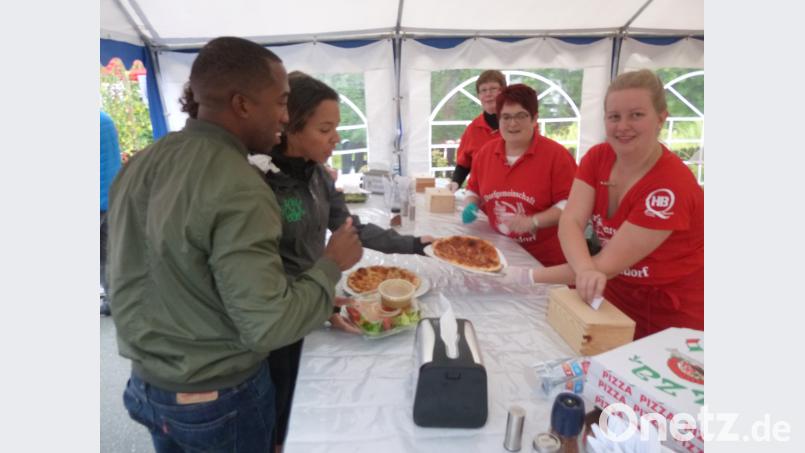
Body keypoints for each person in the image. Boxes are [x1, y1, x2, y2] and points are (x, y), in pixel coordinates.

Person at [107, 37, 363, 453]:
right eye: (281, 102)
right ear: (243, 104)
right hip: (218, 397)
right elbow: (269, 325)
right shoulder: (241, 185)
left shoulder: (141, 164)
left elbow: (138, 269)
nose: (285, 117)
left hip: (148, 386)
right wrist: (330, 265)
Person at [248, 72, 434, 450]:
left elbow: (352, 228)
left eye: (337, 127)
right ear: (291, 126)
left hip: (313, 301)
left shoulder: (317, 175)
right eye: (325, 128)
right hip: (276, 318)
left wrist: (416, 244)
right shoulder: (259, 182)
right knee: (278, 408)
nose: (336, 138)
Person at [508, 69, 704, 339]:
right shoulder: (598, 158)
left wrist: (524, 277)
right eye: (614, 117)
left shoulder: (670, 187)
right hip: (611, 298)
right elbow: (571, 221)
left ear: (661, 118)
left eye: (636, 115)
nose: (622, 126)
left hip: (672, 317)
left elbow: (606, 264)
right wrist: (585, 270)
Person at [462, 84, 577, 266]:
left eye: (521, 116)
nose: (513, 124)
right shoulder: (485, 154)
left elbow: (571, 204)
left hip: (545, 262)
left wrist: (534, 221)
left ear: (534, 119)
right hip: (499, 254)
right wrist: (471, 204)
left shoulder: (557, 156)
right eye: (506, 117)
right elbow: (473, 189)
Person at [448, 70, 507, 192]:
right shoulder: (473, 129)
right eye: (483, 90)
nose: (488, 94)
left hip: (513, 193)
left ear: (503, 92)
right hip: (479, 195)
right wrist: (455, 182)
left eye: (493, 89)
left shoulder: (516, 126)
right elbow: (464, 163)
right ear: (479, 96)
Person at [100, 111, 122, 317]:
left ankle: (113, 299)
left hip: (99, 199)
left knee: (102, 257)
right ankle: (116, 297)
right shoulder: (105, 119)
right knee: (112, 251)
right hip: (113, 193)